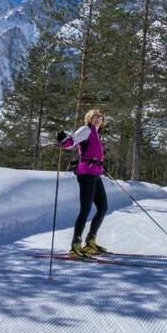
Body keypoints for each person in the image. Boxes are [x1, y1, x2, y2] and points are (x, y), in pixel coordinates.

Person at [57, 108, 109, 257]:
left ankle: (90, 241)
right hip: (86, 174)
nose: (98, 118)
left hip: (95, 174)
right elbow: (71, 142)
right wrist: (63, 141)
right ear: (89, 118)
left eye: (100, 117)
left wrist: (100, 164)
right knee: (85, 210)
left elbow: (92, 152)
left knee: (103, 207)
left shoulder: (96, 134)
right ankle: (75, 246)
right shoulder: (86, 129)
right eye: (95, 116)